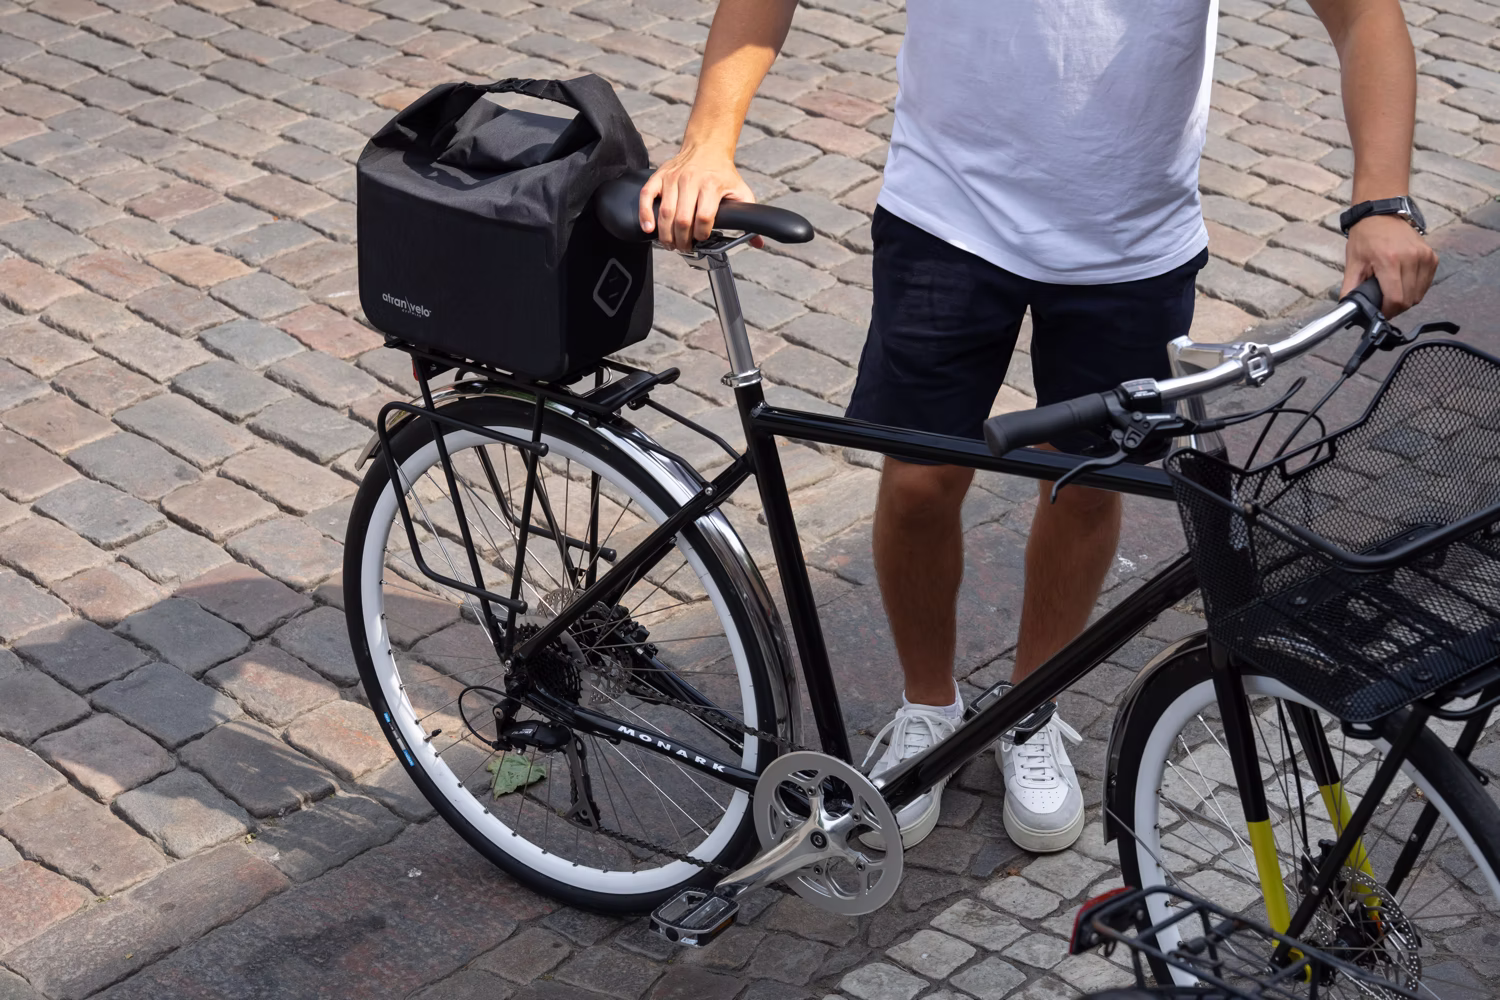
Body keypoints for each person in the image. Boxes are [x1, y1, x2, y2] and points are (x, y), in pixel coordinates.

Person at [640, 0, 1438, 852]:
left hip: (1134, 245)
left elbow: (1363, 16)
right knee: (918, 484)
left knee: (1085, 486)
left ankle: (1031, 709)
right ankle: (928, 707)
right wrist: (709, 140)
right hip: (945, 215)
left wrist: (1382, 201)